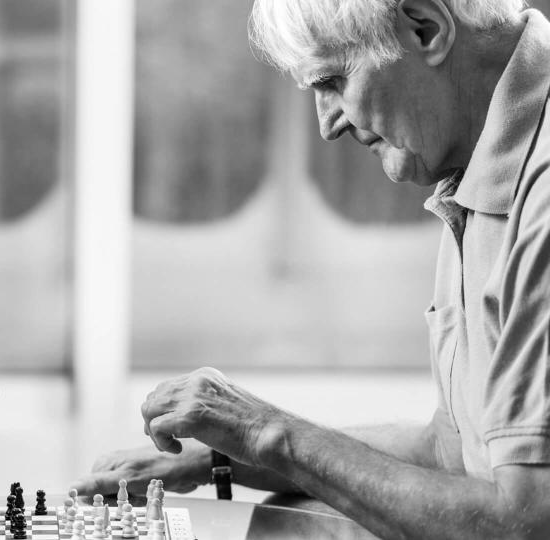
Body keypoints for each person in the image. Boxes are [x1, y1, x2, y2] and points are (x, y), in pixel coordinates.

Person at [73, 0, 550, 538]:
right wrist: (220, 458)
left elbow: (522, 521)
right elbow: (451, 448)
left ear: (426, 28)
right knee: (282, 518)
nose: (328, 125)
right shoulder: (474, 164)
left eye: (332, 79)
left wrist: (266, 432)